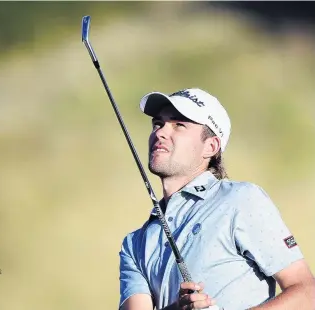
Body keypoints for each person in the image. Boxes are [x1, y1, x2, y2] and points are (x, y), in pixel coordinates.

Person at [118, 88, 315, 310]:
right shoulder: (135, 243)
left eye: (178, 125)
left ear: (210, 146)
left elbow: (306, 293)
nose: (161, 132)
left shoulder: (240, 200)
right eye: (158, 124)